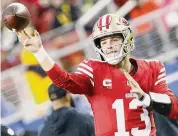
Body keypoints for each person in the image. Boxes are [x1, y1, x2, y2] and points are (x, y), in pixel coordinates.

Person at [16, 13, 178, 136]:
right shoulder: (93, 69)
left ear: (127, 39)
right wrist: (40, 53)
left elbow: (174, 108)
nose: (108, 46)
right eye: (104, 42)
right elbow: (66, 81)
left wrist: (146, 98)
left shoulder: (152, 68)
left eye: (114, 39)